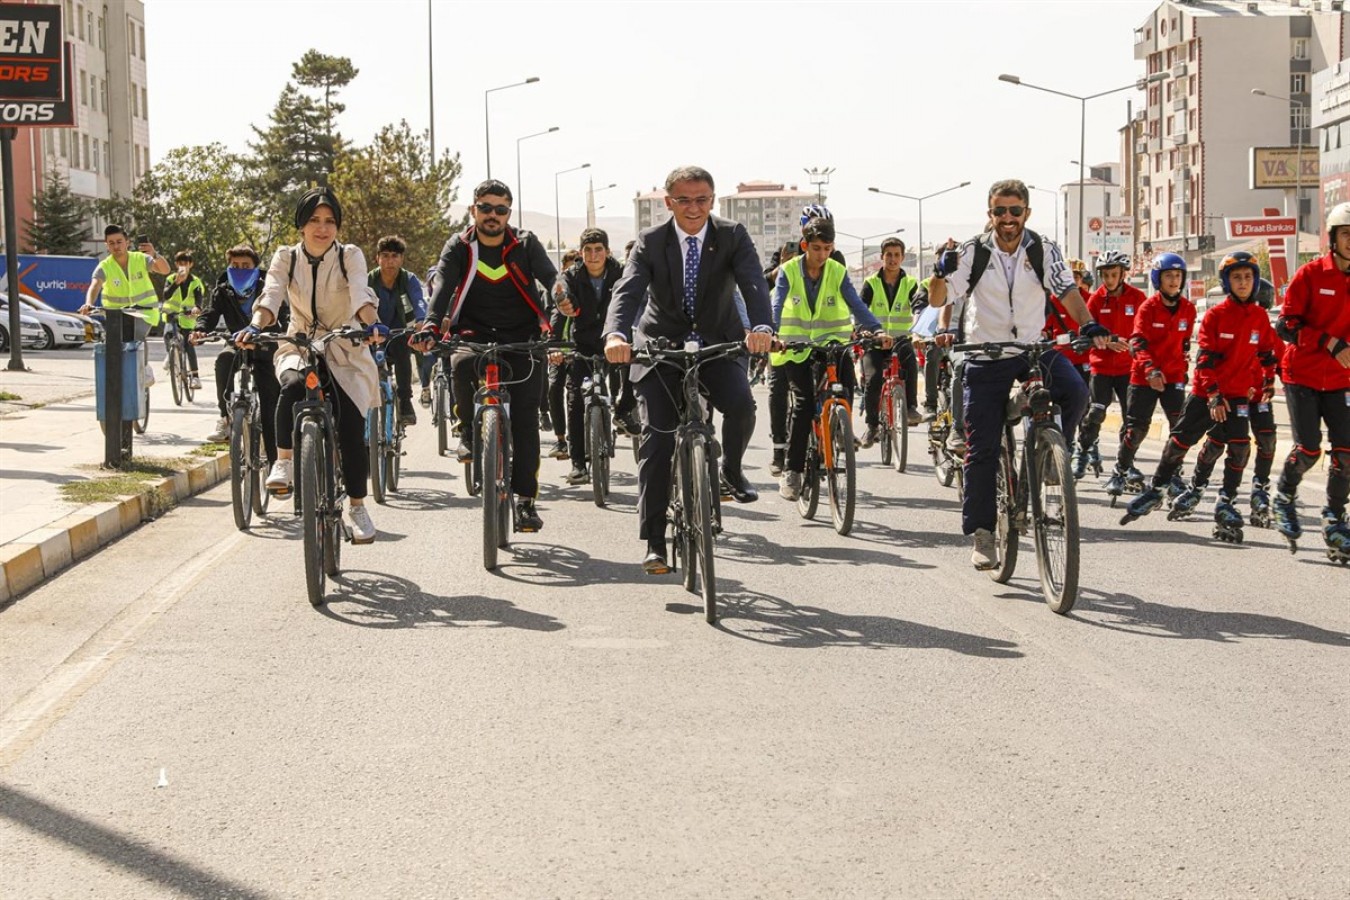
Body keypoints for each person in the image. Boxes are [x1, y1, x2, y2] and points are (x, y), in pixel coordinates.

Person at [927, 179, 1106, 570]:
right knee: (982, 449)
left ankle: (1053, 456)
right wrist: (939, 272)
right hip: (985, 354)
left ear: (1027, 212)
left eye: (1015, 211)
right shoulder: (972, 251)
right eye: (999, 212)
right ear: (989, 214)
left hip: (1031, 349)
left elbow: (1066, 290)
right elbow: (940, 298)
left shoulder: (1042, 249)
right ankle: (983, 533)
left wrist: (1088, 325)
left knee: (1075, 392)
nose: (1007, 219)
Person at [603, 165, 774, 574]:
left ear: (712, 201)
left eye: (702, 199)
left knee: (742, 405)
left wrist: (763, 326)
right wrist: (615, 335)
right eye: (684, 200)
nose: (693, 208)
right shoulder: (650, 241)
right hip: (660, 348)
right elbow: (628, 290)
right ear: (669, 203)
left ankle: (730, 470)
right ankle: (655, 541)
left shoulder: (732, 236)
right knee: (658, 439)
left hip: (717, 342)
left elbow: (753, 282)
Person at [241, 187, 386, 544]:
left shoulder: (350, 255)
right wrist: (256, 326)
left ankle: (356, 506)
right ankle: (285, 462)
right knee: (290, 385)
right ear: (301, 225)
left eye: (330, 221)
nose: (322, 228)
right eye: (314, 221)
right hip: (300, 341)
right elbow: (272, 292)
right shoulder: (286, 257)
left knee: (352, 424)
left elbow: (359, 293)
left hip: (344, 345)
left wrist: (371, 324)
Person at [414, 179, 558, 532]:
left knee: (525, 422)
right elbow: (443, 284)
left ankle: (525, 501)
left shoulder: (525, 244)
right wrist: (432, 325)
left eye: (501, 209)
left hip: (522, 337)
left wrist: (562, 295)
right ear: (473, 209)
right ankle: (466, 433)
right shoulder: (460, 246)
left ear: (509, 212)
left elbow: (551, 277)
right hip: (472, 332)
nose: (493, 215)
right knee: (460, 362)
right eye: (486, 208)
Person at [1120, 252, 1278, 543]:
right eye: (1236, 277)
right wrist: (1215, 397)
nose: (1243, 282)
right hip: (1207, 395)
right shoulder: (1216, 316)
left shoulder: (1259, 317)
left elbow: (1267, 354)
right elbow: (1204, 360)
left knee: (1241, 448)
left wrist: (1268, 381)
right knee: (1179, 442)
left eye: (1248, 277)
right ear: (1226, 282)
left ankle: (1226, 502)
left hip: (1239, 397)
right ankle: (1157, 489)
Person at [772, 216, 887, 500]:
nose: (821, 255)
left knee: (845, 392)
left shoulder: (837, 271)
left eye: (826, 248)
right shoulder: (788, 271)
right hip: (796, 349)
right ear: (804, 245)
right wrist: (773, 334)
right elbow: (776, 304)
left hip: (834, 345)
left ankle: (838, 433)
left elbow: (855, 304)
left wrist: (877, 328)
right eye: (816, 248)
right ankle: (794, 470)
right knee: (804, 404)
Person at [1270, 201, 1350, 559]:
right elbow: (1286, 325)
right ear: (1333, 238)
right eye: (1347, 234)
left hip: (1341, 380)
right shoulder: (1311, 274)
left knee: (1347, 454)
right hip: (1301, 374)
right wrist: (1329, 342)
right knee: (1309, 449)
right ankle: (1285, 494)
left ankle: (1335, 518)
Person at [1107, 252, 1195, 500]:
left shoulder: (1188, 310)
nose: (1174, 281)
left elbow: (1186, 343)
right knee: (1136, 430)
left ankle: (1174, 475)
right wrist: (1150, 370)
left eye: (1178, 276)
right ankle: (1121, 469)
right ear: (1158, 278)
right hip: (1144, 377)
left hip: (1174, 377)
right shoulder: (1148, 308)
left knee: (1179, 430)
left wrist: (1183, 370)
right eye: (1169, 276)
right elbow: (1137, 342)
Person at [549, 228, 625, 485]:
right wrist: (554, 345)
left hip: (614, 340)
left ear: (607, 251)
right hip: (582, 343)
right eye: (588, 251)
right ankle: (578, 464)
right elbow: (560, 304)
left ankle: (624, 413)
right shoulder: (571, 275)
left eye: (598, 250)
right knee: (575, 399)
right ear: (581, 253)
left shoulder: (620, 272)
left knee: (630, 376)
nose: (593, 256)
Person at [194, 244, 283, 453]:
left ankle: (274, 466)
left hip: (264, 347)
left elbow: (283, 314)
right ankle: (225, 418)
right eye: (235, 265)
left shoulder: (268, 288)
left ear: (255, 268)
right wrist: (199, 330)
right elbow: (211, 313)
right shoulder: (222, 290)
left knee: (270, 409)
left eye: (245, 265)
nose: (240, 270)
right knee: (223, 360)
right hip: (236, 344)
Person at [1073, 250, 1144, 479]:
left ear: (1123, 274)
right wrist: (1109, 342)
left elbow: (1145, 331)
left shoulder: (1138, 298)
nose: (1109, 280)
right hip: (1101, 368)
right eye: (1105, 275)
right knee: (1095, 413)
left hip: (1128, 369)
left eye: (1113, 274)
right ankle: (1082, 450)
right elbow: (1084, 334)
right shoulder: (1095, 299)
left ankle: (1126, 464)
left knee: (1131, 419)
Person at [80, 225, 171, 388]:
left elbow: (165, 270)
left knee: (137, 337)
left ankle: (144, 367)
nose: (116, 246)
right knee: (114, 344)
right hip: (117, 314)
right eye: (111, 243)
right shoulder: (105, 266)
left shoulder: (140, 258)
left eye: (119, 242)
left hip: (145, 311)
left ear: (127, 242)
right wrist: (88, 303)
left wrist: (155, 254)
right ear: (106, 245)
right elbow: (95, 285)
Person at [859, 237, 920, 447]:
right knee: (874, 378)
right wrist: (865, 332)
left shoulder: (911, 283)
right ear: (882, 257)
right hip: (875, 343)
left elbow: (919, 308)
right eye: (889, 255)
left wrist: (920, 330)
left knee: (911, 363)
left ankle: (911, 407)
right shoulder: (871, 283)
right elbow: (860, 311)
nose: (893, 259)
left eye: (897, 255)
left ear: (902, 257)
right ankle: (872, 426)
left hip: (901, 340)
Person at [367, 235, 426, 426]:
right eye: (385, 256)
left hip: (399, 332)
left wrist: (421, 320)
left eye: (394, 256)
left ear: (401, 259)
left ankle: (405, 401)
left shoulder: (408, 279)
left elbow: (419, 301)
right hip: (374, 335)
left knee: (402, 351)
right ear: (377, 258)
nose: (390, 261)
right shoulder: (369, 280)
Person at [546, 248, 583, 460]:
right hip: (559, 350)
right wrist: (553, 346)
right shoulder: (557, 292)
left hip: (580, 351)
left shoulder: (584, 291)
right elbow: (553, 318)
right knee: (553, 388)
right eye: (569, 267)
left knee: (577, 395)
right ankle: (561, 439)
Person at [161, 250, 205, 390]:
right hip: (171, 315)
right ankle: (171, 355)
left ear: (190, 264)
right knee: (167, 334)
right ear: (176, 264)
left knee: (188, 344)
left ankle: (195, 377)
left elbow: (199, 298)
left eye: (185, 263)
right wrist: (176, 283)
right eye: (180, 263)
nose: (182, 266)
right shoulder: (171, 279)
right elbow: (166, 296)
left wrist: (197, 308)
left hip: (187, 317)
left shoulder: (195, 282)